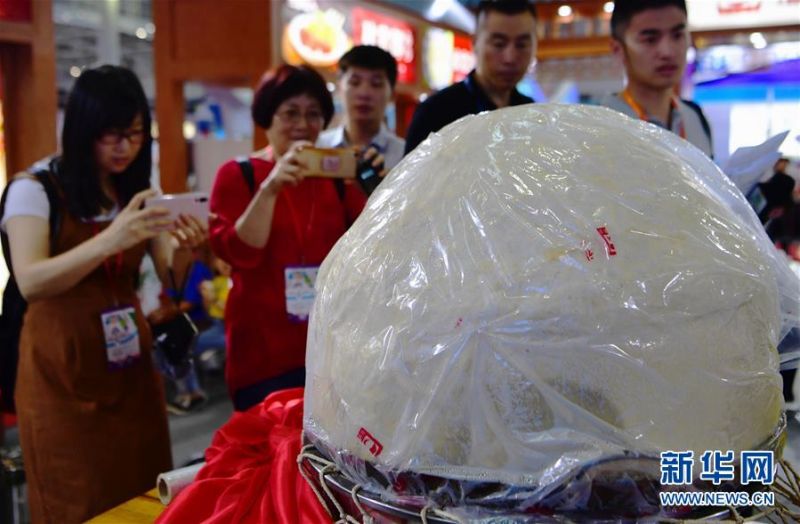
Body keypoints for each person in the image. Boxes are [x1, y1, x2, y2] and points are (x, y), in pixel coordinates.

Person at [1, 65, 206, 522]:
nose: (125, 147)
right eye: (111, 135)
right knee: (75, 499)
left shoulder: (135, 191)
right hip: (60, 375)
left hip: (132, 371)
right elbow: (31, 280)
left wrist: (189, 249)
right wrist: (113, 236)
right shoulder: (33, 190)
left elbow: (168, 276)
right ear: (82, 130)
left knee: (143, 495)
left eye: (135, 134)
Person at [209, 65, 381, 411]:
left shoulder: (336, 178)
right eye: (290, 113)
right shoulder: (238, 175)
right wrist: (270, 188)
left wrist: (375, 187)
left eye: (314, 114)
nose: (303, 125)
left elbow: (370, 251)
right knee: (264, 455)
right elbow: (240, 252)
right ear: (267, 118)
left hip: (324, 352)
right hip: (260, 355)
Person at [404, 0, 537, 155]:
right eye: (499, 44)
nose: (510, 58)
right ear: (475, 43)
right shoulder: (437, 111)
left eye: (521, 45)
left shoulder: (531, 113)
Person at [602, 0, 713, 157]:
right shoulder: (600, 127)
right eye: (650, 39)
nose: (667, 52)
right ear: (618, 49)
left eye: (677, 35)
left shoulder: (695, 118)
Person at [317, 45, 405, 170]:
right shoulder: (318, 148)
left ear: (392, 95)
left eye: (376, 84)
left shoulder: (405, 156)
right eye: (354, 82)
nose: (364, 93)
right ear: (339, 88)